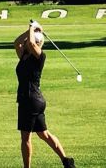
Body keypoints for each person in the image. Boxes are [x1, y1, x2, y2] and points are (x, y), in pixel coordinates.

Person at [14, 21, 75, 168]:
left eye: (29, 40)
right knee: (44, 134)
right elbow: (16, 42)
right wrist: (31, 29)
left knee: (25, 138)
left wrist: (32, 28)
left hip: (30, 100)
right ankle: (66, 161)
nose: (26, 41)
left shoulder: (40, 56)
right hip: (33, 100)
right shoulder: (24, 55)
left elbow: (34, 45)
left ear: (36, 42)